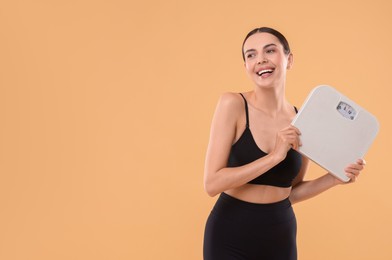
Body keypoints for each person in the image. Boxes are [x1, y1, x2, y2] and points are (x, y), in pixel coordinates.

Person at [203, 27, 366, 260]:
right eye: (251, 55)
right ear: (246, 66)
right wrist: (274, 157)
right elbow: (212, 183)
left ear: (289, 59)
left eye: (269, 50)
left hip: (280, 233)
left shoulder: (304, 120)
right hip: (230, 232)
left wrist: (334, 178)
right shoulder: (233, 104)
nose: (260, 60)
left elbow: (290, 193)